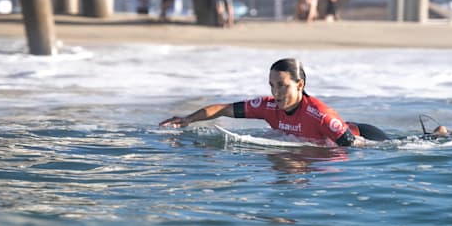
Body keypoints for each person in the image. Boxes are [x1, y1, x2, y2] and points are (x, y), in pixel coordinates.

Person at [160, 58, 389, 147]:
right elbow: (224, 109)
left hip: (365, 135)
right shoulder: (268, 107)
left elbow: (355, 148)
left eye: (282, 85)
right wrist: (188, 120)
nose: (276, 92)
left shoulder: (320, 114)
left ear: (300, 85)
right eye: (272, 85)